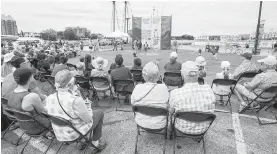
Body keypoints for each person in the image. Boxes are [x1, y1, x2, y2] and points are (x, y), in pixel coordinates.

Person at [45, 70, 106, 150]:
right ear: (70, 84)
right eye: (74, 82)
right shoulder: (75, 100)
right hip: (74, 134)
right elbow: (88, 119)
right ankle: (95, 143)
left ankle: (82, 142)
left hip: (60, 134)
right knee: (99, 113)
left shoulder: (50, 98)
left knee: (74, 118)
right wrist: (88, 107)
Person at [169, 61, 215, 135]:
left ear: (182, 75)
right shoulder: (209, 90)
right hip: (202, 129)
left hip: (181, 127)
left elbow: (170, 112)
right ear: (198, 75)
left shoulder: (175, 93)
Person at [6, 68, 53, 137]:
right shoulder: (32, 96)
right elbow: (45, 114)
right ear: (30, 78)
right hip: (37, 127)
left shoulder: (10, 93)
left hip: (23, 125)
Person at [131, 61, 169, 129]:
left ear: (143, 76)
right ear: (157, 76)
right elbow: (168, 104)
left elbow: (132, 103)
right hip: (159, 123)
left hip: (141, 121)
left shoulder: (137, 88)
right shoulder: (163, 88)